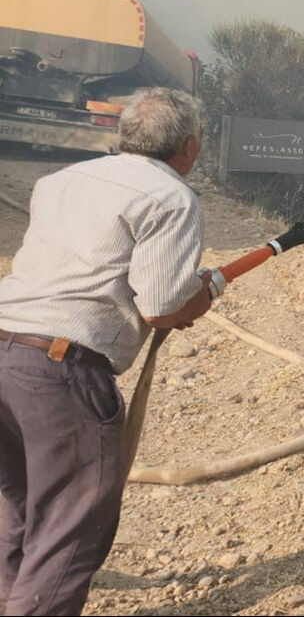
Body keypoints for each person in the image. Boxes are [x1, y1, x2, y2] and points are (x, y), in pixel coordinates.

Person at [0, 87, 226, 616]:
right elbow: (163, 304)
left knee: (16, 511)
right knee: (69, 531)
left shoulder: (58, 182)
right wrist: (206, 291)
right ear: (189, 147)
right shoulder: (171, 198)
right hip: (60, 371)